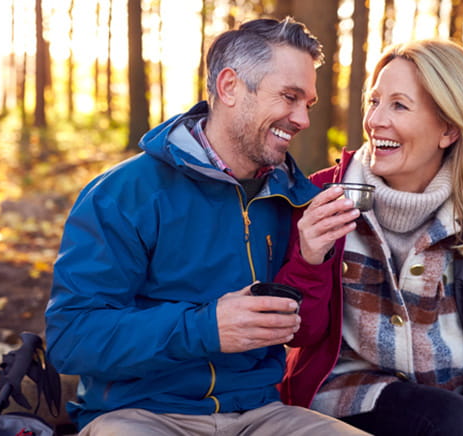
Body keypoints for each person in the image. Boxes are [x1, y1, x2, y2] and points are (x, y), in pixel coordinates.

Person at [45, 17, 368, 436]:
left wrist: (310, 258)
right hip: (142, 416)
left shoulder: (292, 196)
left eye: (307, 103)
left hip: (262, 414)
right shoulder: (125, 193)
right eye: (289, 97)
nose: (302, 118)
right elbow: (72, 339)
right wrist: (205, 328)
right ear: (230, 86)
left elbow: (304, 332)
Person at [275, 39, 463, 435]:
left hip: (459, 399)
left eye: (399, 105)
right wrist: (310, 258)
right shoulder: (320, 199)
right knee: (452, 421)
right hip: (345, 398)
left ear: (449, 130)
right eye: (374, 102)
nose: (375, 121)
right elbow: (299, 334)